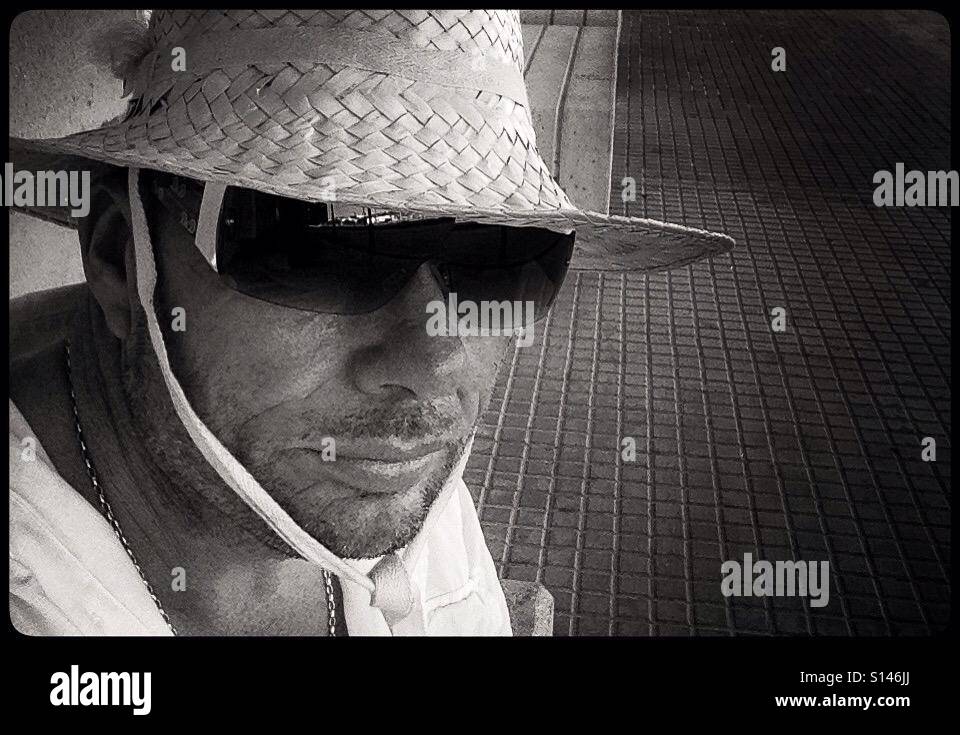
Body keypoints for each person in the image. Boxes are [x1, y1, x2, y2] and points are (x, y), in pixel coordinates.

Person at [8, 9, 732, 636]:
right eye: (324, 243)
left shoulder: (384, 476)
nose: (437, 360)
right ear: (117, 256)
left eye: (501, 253)